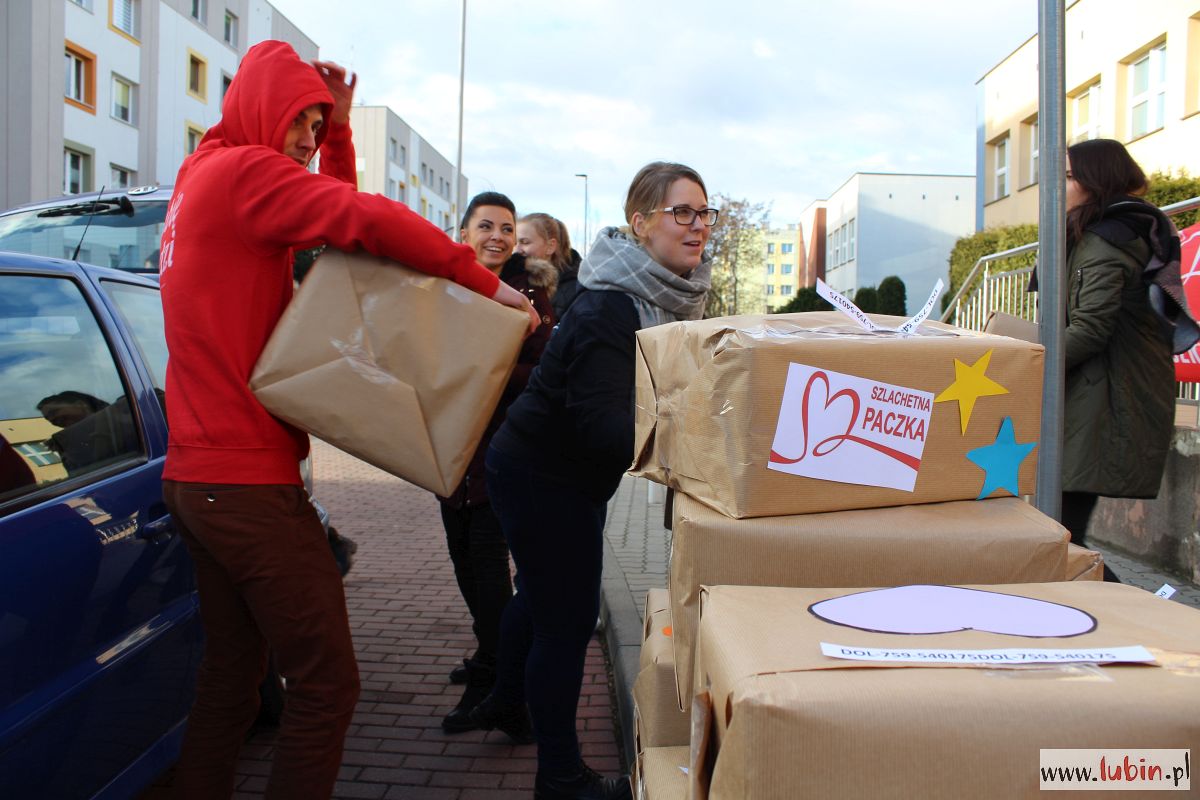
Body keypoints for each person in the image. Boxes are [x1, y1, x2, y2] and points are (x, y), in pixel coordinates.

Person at [157, 40, 537, 800]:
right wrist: (478, 280)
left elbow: (329, 223)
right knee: (328, 684)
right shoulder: (245, 176)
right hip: (248, 486)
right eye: (296, 120)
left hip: (193, 479)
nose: (303, 137)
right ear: (261, 110)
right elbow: (359, 219)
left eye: (313, 122)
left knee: (232, 679)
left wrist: (336, 131)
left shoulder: (201, 175)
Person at [472, 162, 715, 799]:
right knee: (568, 621)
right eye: (680, 213)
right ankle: (559, 776)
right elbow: (602, 425)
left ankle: (504, 698)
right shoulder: (612, 306)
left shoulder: (659, 296)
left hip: (562, 476)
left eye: (704, 212)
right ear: (641, 223)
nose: (698, 227)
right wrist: (698, 448)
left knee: (539, 599)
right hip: (541, 475)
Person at [438, 192, 556, 735]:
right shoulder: (441, 287)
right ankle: (491, 661)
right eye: (485, 226)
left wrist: (482, 368)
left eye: (507, 228)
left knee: (489, 573)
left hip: (500, 458)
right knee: (464, 565)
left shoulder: (531, 295)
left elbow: (540, 374)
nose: (498, 236)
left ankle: (502, 690)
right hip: (447, 454)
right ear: (462, 233)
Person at [1059, 138, 1198, 581]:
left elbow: (1088, 330)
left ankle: (1143, 624)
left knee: (1058, 540)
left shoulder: (1106, 240)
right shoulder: (1114, 232)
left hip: (1102, 404)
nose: (1057, 187)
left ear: (1094, 181)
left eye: (1066, 176)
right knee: (1061, 538)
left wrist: (1023, 368)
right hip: (1098, 399)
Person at [517, 212, 582, 320]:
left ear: (550, 246)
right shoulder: (513, 279)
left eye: (525, 242)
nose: (517, 250)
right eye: (515, 243)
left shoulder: (573, 290)